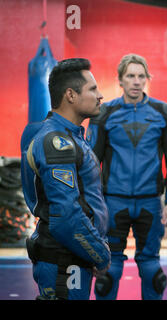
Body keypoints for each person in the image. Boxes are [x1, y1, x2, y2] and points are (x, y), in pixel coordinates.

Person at [87, 53, 167, 300]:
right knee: (108, 272)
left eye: (141, 76)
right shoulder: (103, 113)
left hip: (150, 203)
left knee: (152, 270)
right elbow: (90, 163)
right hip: (112, 203)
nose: (136, 81)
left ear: (147, 79)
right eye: (130, 76)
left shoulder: (165, 113)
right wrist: (90, 204)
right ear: (120, 80)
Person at [20, 58, 111, 300]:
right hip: (62, 260)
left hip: (75, 255)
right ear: (70, 95)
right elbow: (66, 218)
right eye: (92, 89)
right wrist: (100, 255)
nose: (100, 95)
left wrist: (92, 250)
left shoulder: (72, 137)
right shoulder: (56, 142)